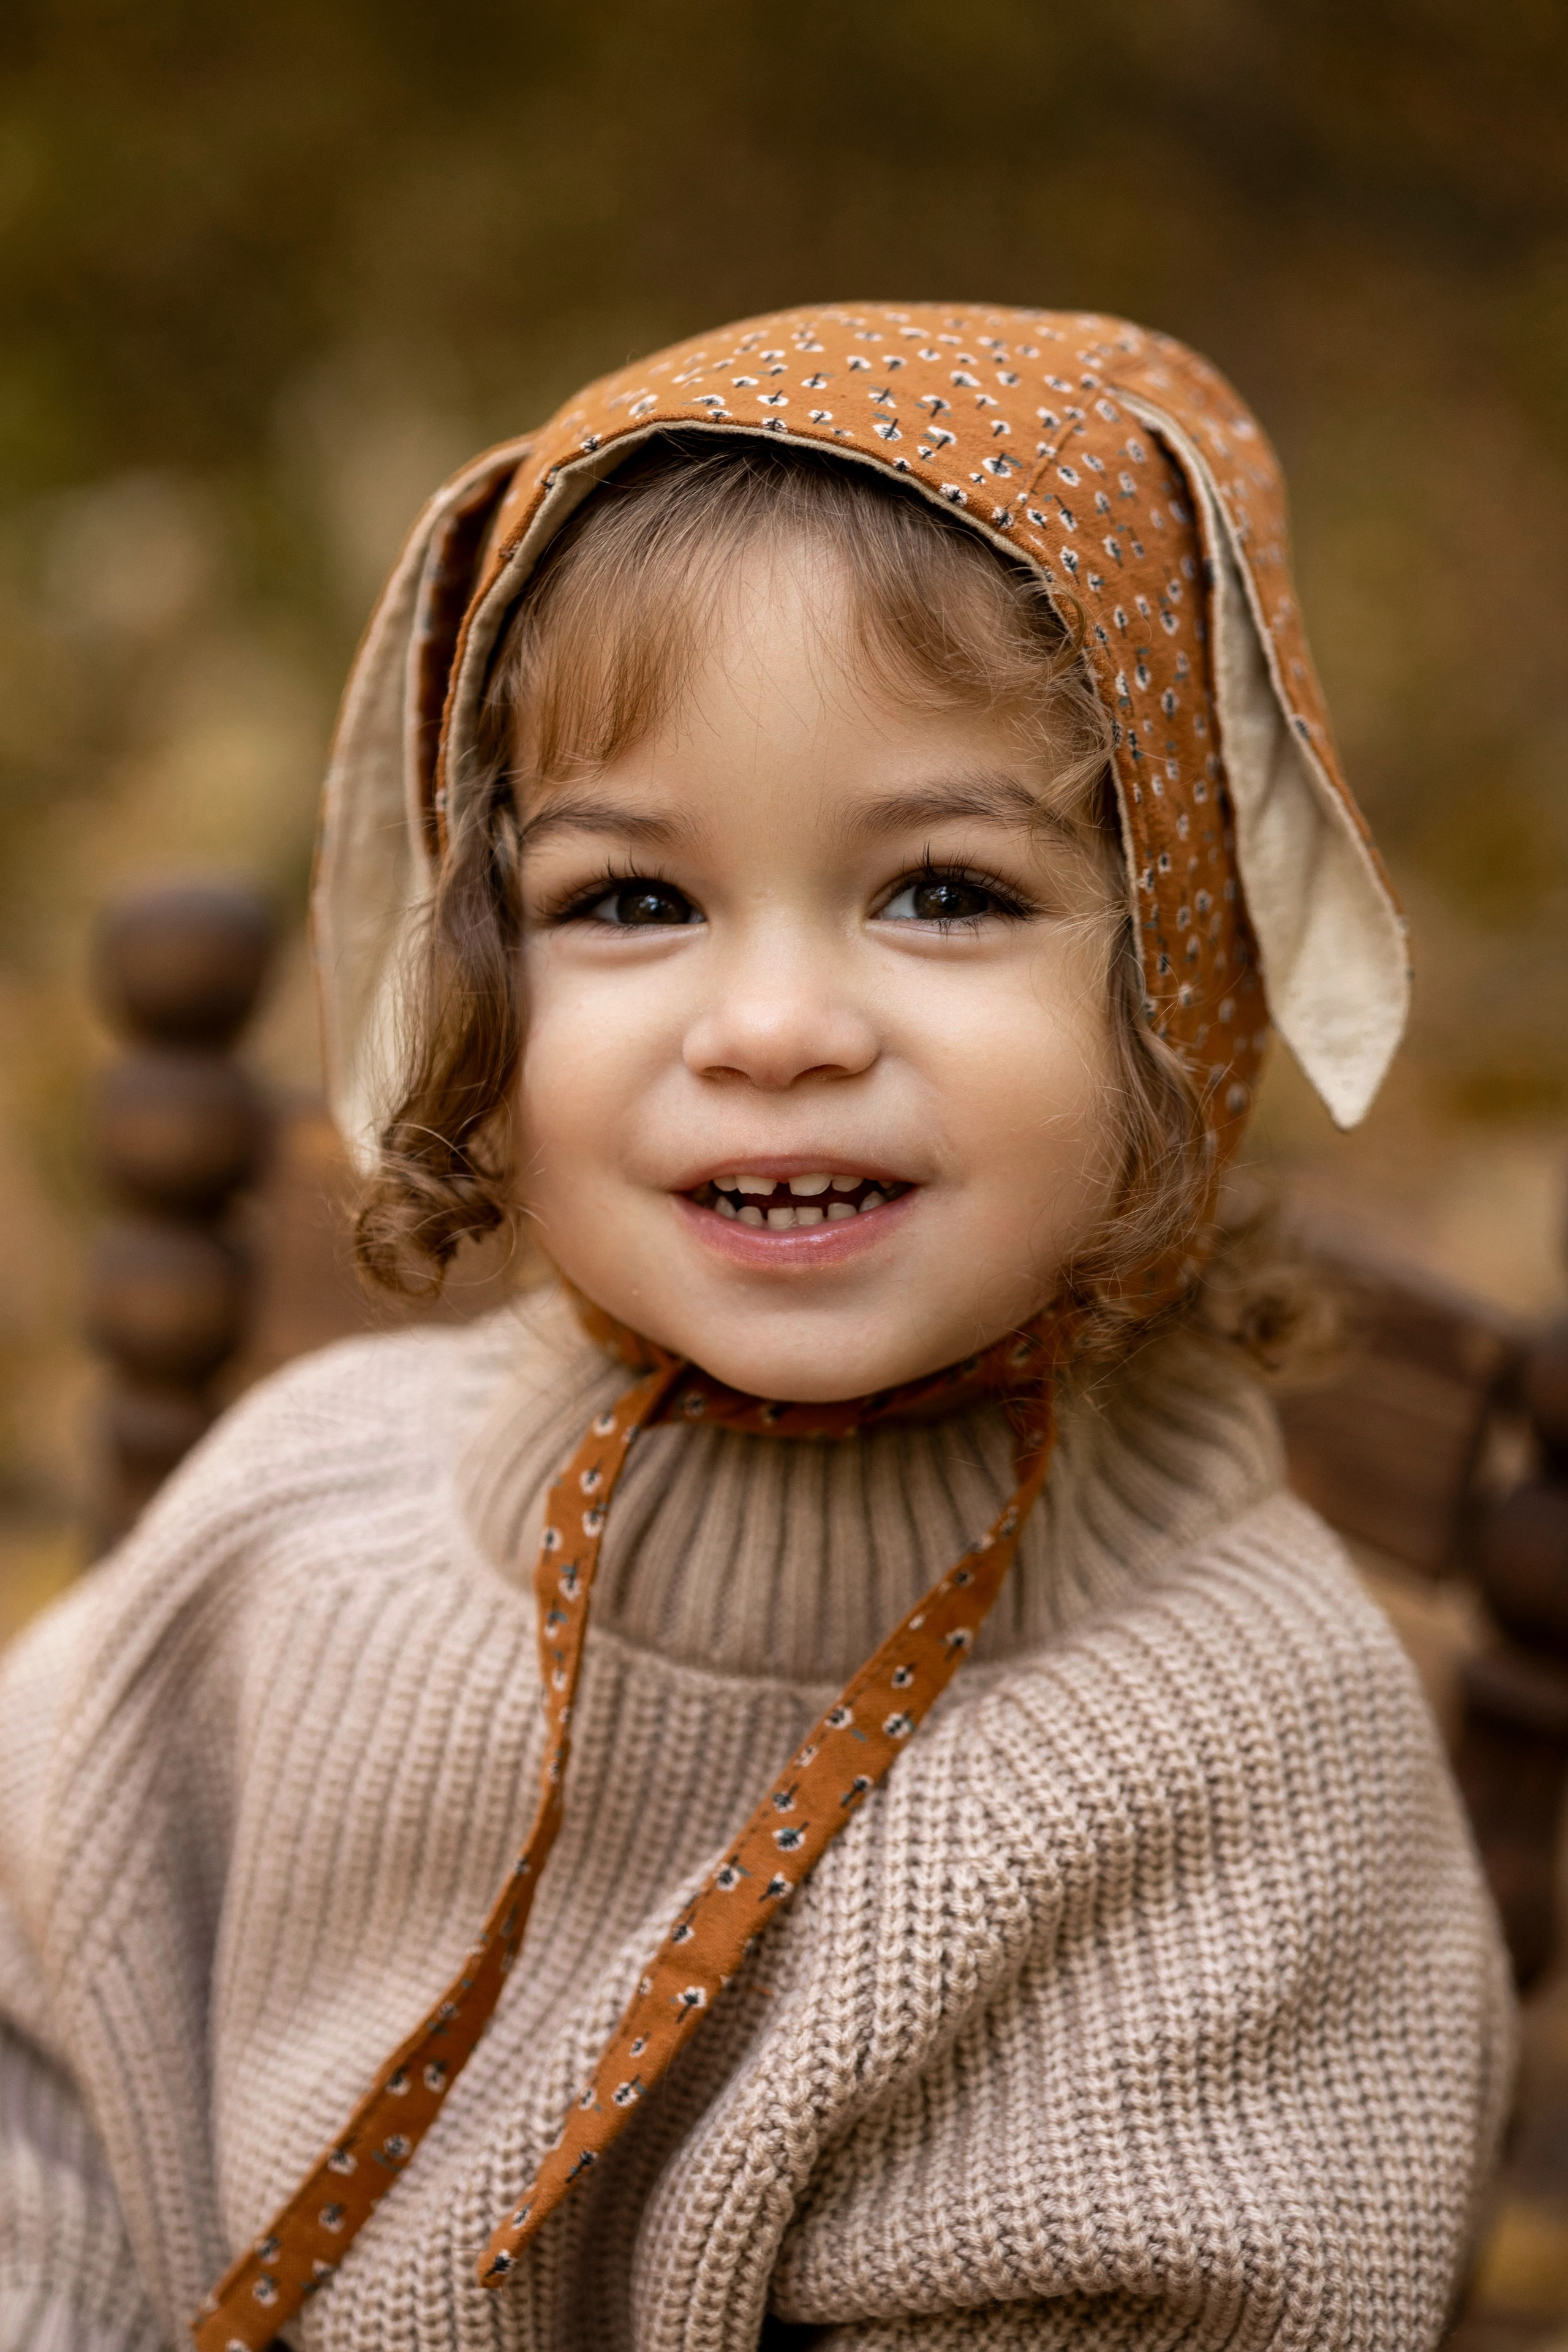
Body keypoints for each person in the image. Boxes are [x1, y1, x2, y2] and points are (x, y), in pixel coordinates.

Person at [0, 304, 1512, 2352]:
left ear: (1184, 967)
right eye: (634, 902)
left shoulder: (1229, 1755)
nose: (778, 1030)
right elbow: (38, 2065)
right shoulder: (304, 1513)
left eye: (948, 894)